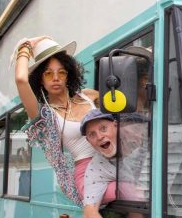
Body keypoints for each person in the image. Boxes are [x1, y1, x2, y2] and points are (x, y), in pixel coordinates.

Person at [14, 35, 113, 206]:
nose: (56, 78)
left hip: (114, 163)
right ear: (40, 80)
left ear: (69, 75)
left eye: (61, 72)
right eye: (48, 73)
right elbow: (21, 79)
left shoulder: (89, 96)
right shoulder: (45, 115)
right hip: (88, 173)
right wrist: (25, 46)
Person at [79, 109, 149, 218]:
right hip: (144, 216)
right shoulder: (96, 168)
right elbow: (89, 213)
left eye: (103, 129)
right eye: (92, 135)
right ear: (89, 142)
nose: (99, 136)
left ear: (116, 126)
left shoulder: (138, 131)